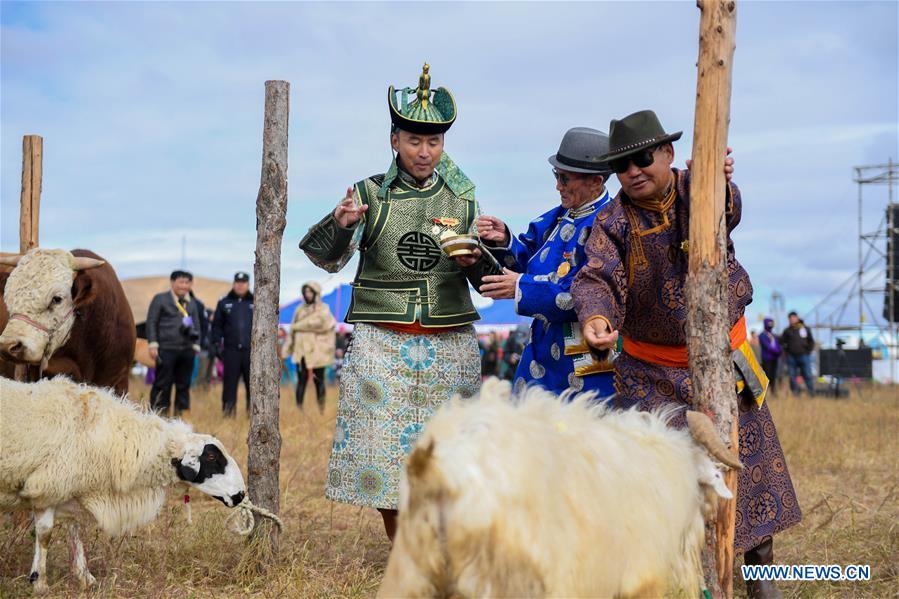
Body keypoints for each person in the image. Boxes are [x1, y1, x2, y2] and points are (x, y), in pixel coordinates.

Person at [571, 110, 800, 599]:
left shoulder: (700, 189)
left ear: (667, 154)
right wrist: (596, 317)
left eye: (643, 158)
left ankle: (762, 581)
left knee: (751, 471)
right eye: (623, 165)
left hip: (724, 358)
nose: (634, 171)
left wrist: (717, 180)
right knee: (661, 483)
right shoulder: (613, 221)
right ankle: (683, 582)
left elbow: (730, 210)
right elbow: (596, 276)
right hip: (650, 375)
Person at [299, 64, 482, 542]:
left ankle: (443, 549)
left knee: (451, 458)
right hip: (381, 347)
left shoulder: (464, 198)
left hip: (448, 345)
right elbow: (324, 259)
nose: (425, 152)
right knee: (383, 458)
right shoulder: (368, 194)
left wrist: (487, 250)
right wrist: (340, 224)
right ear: (394, 140)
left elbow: (484, 276)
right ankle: (404, 550)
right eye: (415, 140)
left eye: (434, 141)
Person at [475, 127, 616, 396]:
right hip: (541, 356)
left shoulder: (611, 224)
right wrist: (504, 238)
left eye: (564, 178)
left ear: (596, 181)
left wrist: (521, 288)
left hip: (584, 365)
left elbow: (586, 289)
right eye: (556, 176)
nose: (557, 186)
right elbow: (526, 258)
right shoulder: (556, 217)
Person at [146, 270, 202, 417]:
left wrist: (196, 344)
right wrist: (153, 343)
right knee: (163, 384)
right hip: (166, 349)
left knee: (184, 385)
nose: (184, 286)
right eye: (181, 282)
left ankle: (180, 418)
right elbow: (151, 321)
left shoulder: (192, 303)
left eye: (187, 282)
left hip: (187, 350)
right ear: (172, 282)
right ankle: (158, 416)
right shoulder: (160, 299)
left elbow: (196, 323)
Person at [284, 281, 336, 412]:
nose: (307, 294)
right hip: (301, 350)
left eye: (310, 291)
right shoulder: (299, 309)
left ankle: (321, 409)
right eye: (305, 292)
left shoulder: (323, 308)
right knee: (301, 381)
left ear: (315, 293)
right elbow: (292, 331)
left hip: (318, 350)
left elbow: (324, 324)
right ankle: (299, 408)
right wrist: (287, 348)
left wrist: (299, 326)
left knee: (319, 380)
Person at [210, 271, 254, 417]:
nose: (240, 286)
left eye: (244, 283)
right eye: (238, 283)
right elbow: (217, 326)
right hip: (231, 351)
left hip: (251, 352)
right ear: (234, 284)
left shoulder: (256, 302)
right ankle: (228, 415)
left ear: (248, 284)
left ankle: (253, 416)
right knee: (229, 385)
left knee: (253, 386)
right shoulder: (224, 303)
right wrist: (216, 343)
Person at [781, 311, 816, 395]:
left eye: (793, 318)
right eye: (790, 318)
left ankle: (811, 393)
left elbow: (811, 341)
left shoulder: (805, 329)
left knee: (807, 375)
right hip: (791, 357)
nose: (792, 320)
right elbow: (782, 342)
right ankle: (795, 393)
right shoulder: (787, 330)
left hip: (804, 355)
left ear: (797, 318)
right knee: (792, 376)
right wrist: (786, 351)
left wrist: (808, 351)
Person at [759, 317, 782, 396]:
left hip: (775, 358)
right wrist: (777, 351)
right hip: (767, 358)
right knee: (767, 375)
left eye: (772, 324)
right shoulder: (762, 335)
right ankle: (765, 392)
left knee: (774, 375)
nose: (770, 325)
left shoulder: (774, 335)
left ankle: (773, 391)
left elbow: (778, 345)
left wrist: (779, 351)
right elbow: (767, 346)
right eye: (769, 324)